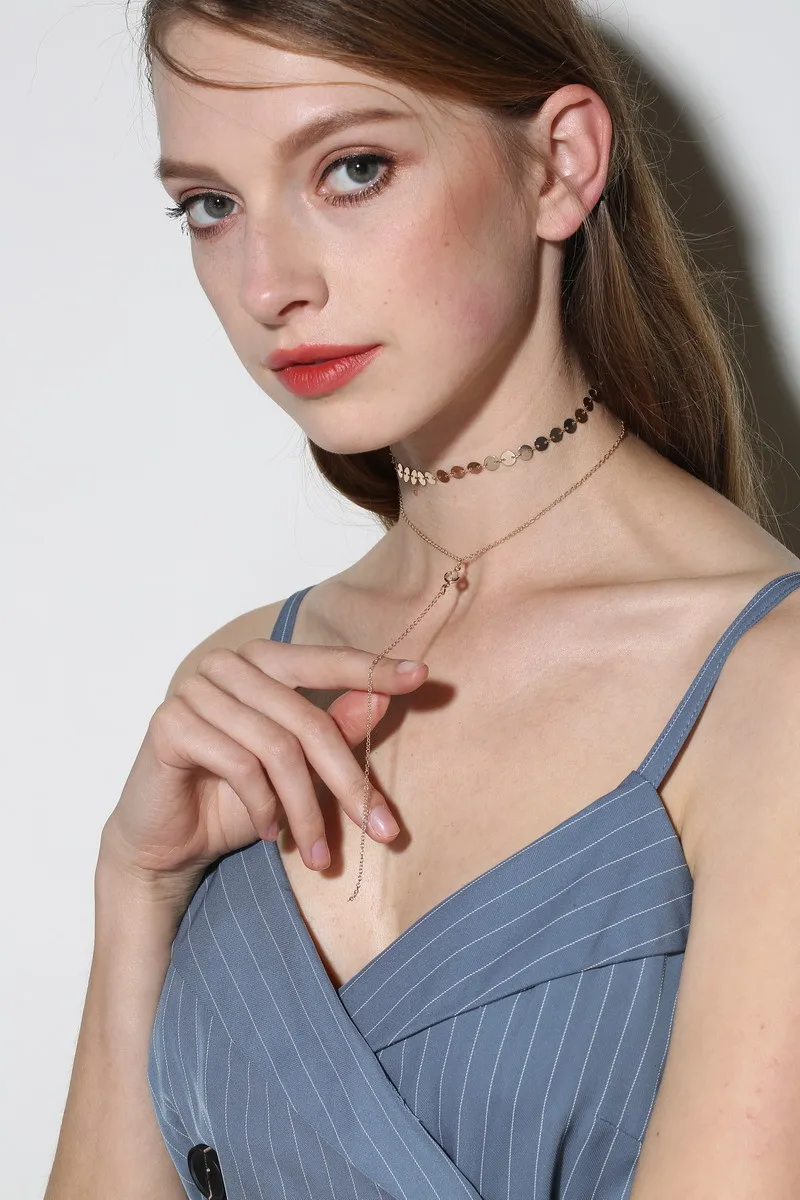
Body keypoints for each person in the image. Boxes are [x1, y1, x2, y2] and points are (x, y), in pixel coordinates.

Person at [45, 1, 800, 1197]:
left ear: (558, 165)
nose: (268, 284)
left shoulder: (766, 688)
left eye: (351, 169)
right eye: (211, 205)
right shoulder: (251, 675)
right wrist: (135, 891)